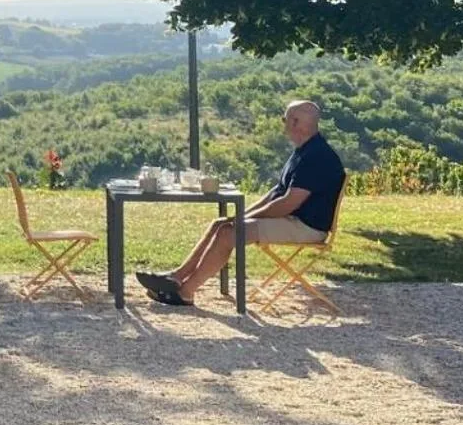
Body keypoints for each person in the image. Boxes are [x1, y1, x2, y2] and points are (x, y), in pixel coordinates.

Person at [138, 100, 345, 307]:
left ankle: (185, 293)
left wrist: (249, 218)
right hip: (293, 219)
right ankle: (175, 277)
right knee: (221, 224)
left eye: (285, 119)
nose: (283, 124)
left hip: (306, 226)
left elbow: (287, 203)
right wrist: (243, 215)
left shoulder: (316, 157)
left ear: (295, 122)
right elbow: (277, 192)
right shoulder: (304, 151)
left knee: (230, 233)